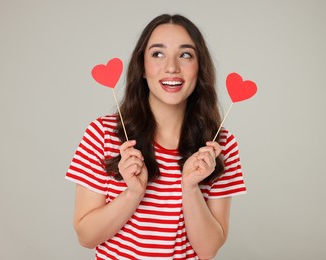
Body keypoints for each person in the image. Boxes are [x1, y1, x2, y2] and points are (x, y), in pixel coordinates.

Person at [66, 13, 246, 260]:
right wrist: (132, 194)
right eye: (157, 54)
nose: (171, 67)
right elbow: (86, 237)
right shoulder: (103, 134)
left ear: (199, 67)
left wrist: (190, 187)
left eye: (185, 54)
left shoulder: (219, 145)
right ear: (142, 67)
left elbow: (208, 250)